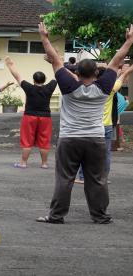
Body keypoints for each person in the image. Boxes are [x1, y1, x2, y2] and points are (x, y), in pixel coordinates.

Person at [35, 22, 133, 224]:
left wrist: (45, 37)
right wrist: (130, 40)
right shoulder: (104, 86)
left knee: (65, 178)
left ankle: (56, 216)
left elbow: (54, 60)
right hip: (95, 139)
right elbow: (117, 60)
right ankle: (100, 216)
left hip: (70, 139)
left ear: (76, 72)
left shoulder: (69, 85)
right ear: (96, 73)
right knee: (97, 179)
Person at [75, 65, 133, 184]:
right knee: (105, 153)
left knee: (86, 152)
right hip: (107, 125)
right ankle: (103, 178)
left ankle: (82, 177)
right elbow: (122, 77)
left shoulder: (87, 87)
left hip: (92, 125)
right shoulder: (110, 88)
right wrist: (129, 70)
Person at [5, 56, 57, 169]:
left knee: (27, 139)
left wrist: (10, 65)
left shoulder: (29, 87)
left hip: (29, 116)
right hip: (45, 117)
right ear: (44, 79)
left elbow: (17, 76)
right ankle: (44, 163)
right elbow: (57, 74)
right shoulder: (50, 87)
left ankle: (23, 163)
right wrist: (55, 62)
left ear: (33, 80)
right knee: (44, 140)